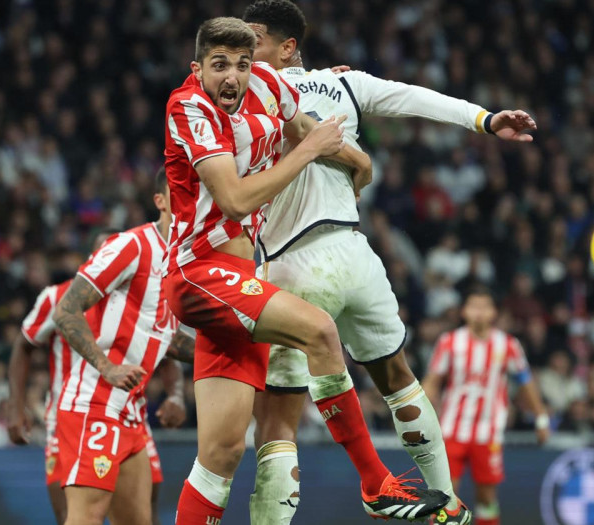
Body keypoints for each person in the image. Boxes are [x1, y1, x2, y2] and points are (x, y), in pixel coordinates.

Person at [240, 2, 537, 523]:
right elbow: (415, 99)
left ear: (286, 47)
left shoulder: (246, 87)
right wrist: (485, 119)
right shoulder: (346, 85)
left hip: (291, 262)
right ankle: (446, 501)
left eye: (254, 40)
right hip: (356, 255)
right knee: (398, 376)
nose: (244, 51)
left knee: (278, 419)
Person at [162, 17, 447, 523]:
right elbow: (233, 200)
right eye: (219, 65)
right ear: (197, 67)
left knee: (221, 456)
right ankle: (376, 483)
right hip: (198, 275)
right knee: (319, 330)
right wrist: (310, 154)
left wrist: (357, 160)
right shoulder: (188, 107)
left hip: (238, 285)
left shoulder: (269, 84)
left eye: (242, 65)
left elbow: (304, 127)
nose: (232, 77)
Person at [8, 209, 192, 525]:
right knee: (73, 513)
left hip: (131, 411)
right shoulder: (58, 298)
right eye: (105, 253)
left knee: (144, 512)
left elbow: (166, 347)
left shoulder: (145, 298)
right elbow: (24, 346)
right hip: (80, 408)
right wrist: (16, 407)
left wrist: (176, 394)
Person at [50, 169, 191, 525]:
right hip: (93, 402)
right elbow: (65, 309)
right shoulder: (133, 245)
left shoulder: (185, 261)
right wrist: (107, 367)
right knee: (86, 517)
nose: (192, 195)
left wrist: (242, 346)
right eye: (181, 189)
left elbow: (166, 337)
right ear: (159, 201)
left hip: (132, 411)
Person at [421, 287, 549, 525]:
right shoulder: (449, 342)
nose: (479, 312)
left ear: (493, 312)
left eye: (484, 307)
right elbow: (433, 381)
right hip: (452, 429)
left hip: (488, 432)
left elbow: (525, 381)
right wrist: (420, 415)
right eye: (474, 307)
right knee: (446, 494)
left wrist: (541, 416)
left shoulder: (508, 345)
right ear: (464, 312)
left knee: (487, 497)